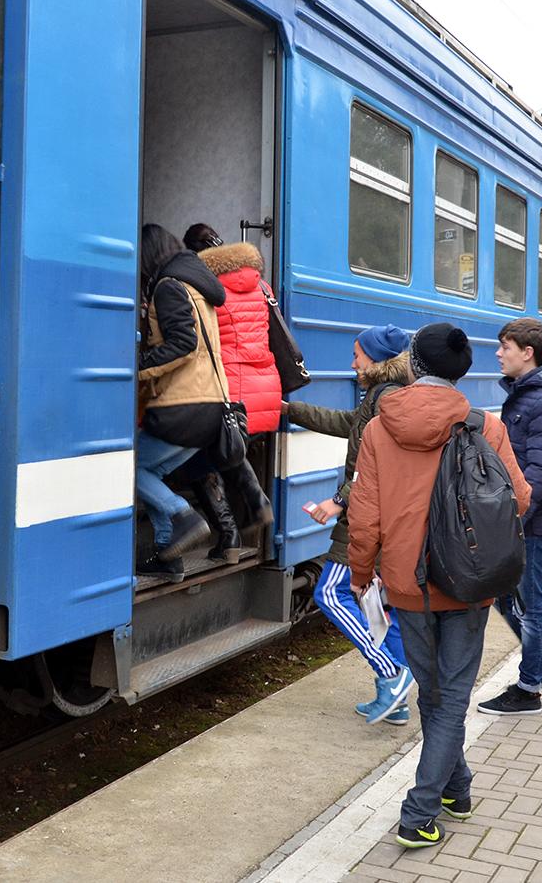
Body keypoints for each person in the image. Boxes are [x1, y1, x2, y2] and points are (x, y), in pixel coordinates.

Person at [348, 322, 531, 849]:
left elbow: (364, 520)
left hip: (406, 584)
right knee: (448, 698)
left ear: (413, 366)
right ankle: (419, 812)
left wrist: (363, 576)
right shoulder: (484, 426)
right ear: (462, 371)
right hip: (469, 582)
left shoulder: (380, 429)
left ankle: (457, 788)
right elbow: (517, 499)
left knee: (436, 694)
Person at [284, 324, 414, 724]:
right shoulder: (378, 396)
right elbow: (348, 424)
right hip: (374, 515)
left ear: (376, 360)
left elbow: (378, 468)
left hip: (367, 517)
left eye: (358, 355)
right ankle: (397, 697)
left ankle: (392, 673)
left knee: (331, 595)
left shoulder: (387, 399)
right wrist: (292, 411)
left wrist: (338, 501)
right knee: (375, 602)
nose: (352, 362)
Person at [136, 224, 269, 582]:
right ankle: (169, 554)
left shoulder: (168, 286)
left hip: (183, 404)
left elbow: (182, 344)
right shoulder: (200, 287)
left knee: (130, 465)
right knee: (156, 471)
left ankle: (183, 516)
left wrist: (138, 368)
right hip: (213, 404)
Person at [478, 319, 542, 717]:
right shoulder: (526, 396)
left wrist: (513, 521)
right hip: (528, 520)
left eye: (505, 346)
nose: (499, 353)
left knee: (530, 605)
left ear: (528, 352)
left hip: (535, 524)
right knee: (504, 594)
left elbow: (539, 474)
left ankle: (529, 687)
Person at [182, 224, 282, 563]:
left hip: (230, 385)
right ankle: (255, 504)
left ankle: (229, 533)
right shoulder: (260, 283)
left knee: (195, 457)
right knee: (227, 448)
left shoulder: (205, 288)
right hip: (264, 384)